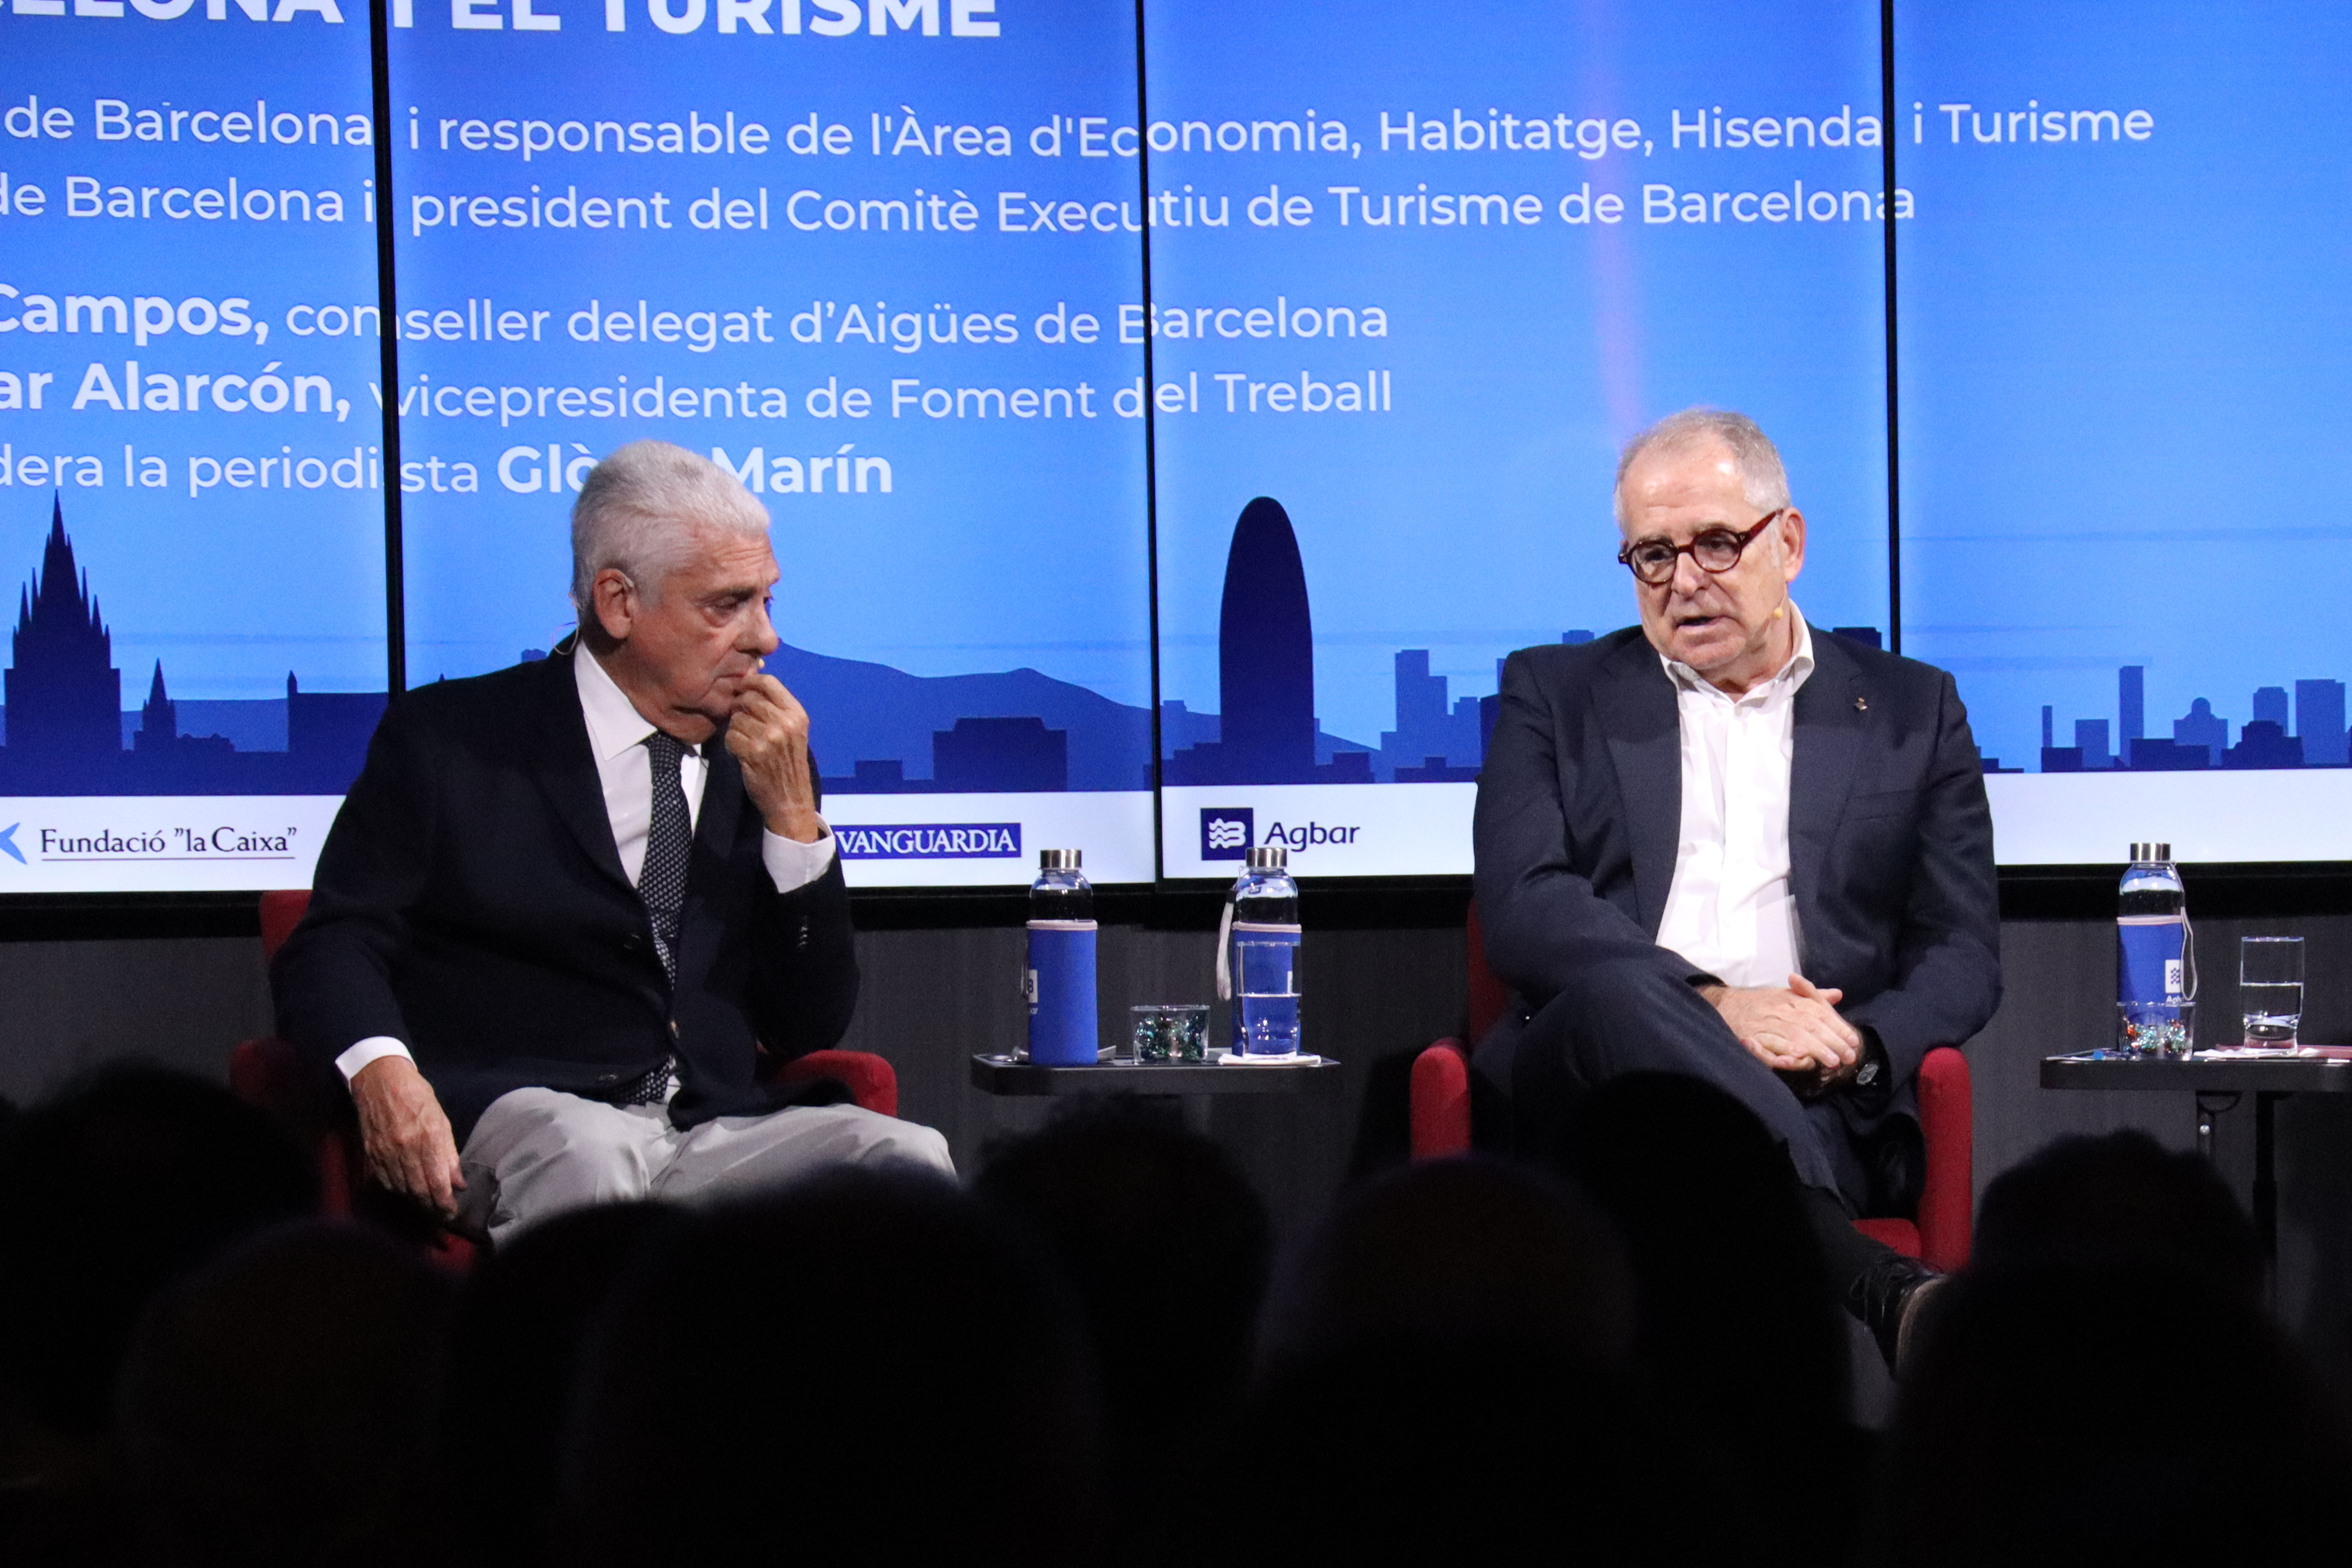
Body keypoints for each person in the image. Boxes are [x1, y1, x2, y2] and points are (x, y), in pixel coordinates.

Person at [274, 440, 951, 1245]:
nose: (764, 638)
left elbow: (808, 1024)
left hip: (710, 1126)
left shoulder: (765, 756)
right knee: (587, 1151)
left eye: (767, 601)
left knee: (907, 1159)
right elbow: (338, 940)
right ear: (619, 602)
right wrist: (380, 1070)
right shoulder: (453, 740)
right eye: (725, 606)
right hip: (524, 1117)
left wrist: (796, 830)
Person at [1473, 406, 2000, 1359]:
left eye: (1716, 544)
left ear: (1787, 542)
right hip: (1595, 1089)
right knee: (1618, 992)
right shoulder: (1552, 693)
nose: (1685, 583)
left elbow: (1962, 951)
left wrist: (1859, 1047)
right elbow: (1524, 907)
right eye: (1653, 556)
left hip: (1815, 1095)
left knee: (1681, 1154)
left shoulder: (1912, 710)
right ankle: (1879, 1289)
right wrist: (1714, 1004)